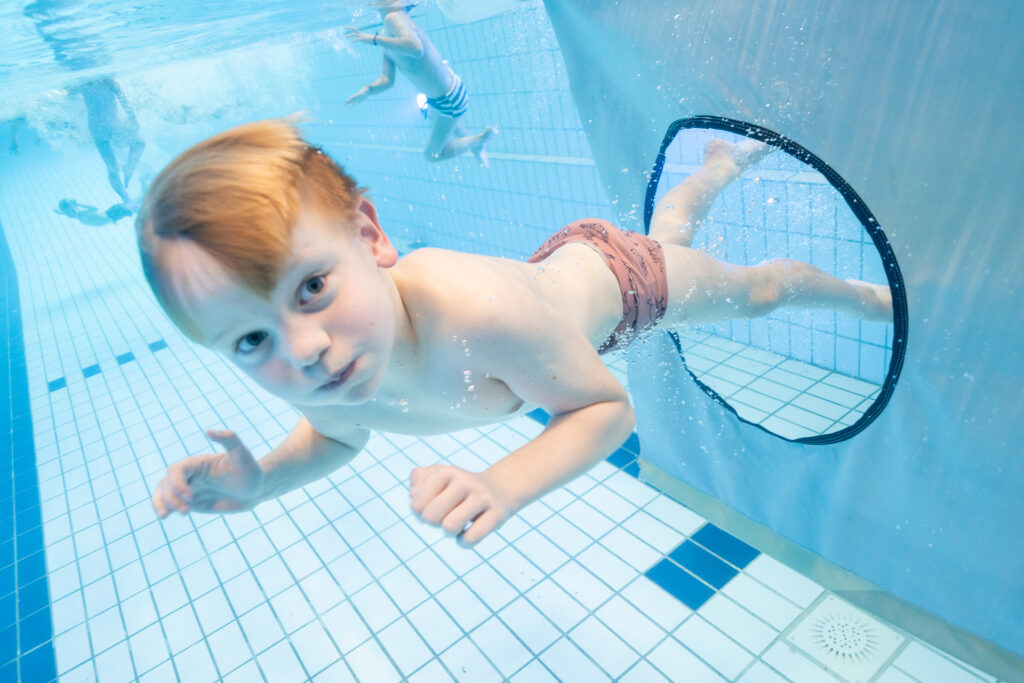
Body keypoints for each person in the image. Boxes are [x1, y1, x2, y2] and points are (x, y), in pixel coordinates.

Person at [139, 119, 892, 547]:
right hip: (556, 309)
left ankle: (862, 296)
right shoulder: (333, 371)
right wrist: (263, 480)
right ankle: (714, 170)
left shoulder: (473, 314)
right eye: (249, 341)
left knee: (750, 294)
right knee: (678, 239)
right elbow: (338, 436)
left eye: (311, 287)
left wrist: (503, 482)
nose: (302, 351)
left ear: (370, 237)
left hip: (620, 280)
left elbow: (605, 409)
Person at [344, 1, 496, 166]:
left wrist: (374, 39)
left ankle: (481, 140)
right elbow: (387, 80)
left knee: (432, 155)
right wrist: (367, 90)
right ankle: (476, 147)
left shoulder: (393, 17)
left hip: (449, 99)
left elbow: (416, 48)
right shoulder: (385, 33)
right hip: (442, 95)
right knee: (445, 124)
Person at [71, 76, 146, 206]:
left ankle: (125, 198)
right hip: (112, 124)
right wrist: (133, 117)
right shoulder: (108, 80)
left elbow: (70, 93)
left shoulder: (83, 83)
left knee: (112, 167)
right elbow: (124, 100)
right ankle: (129, 168)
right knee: (139, 143)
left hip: (97, 128)